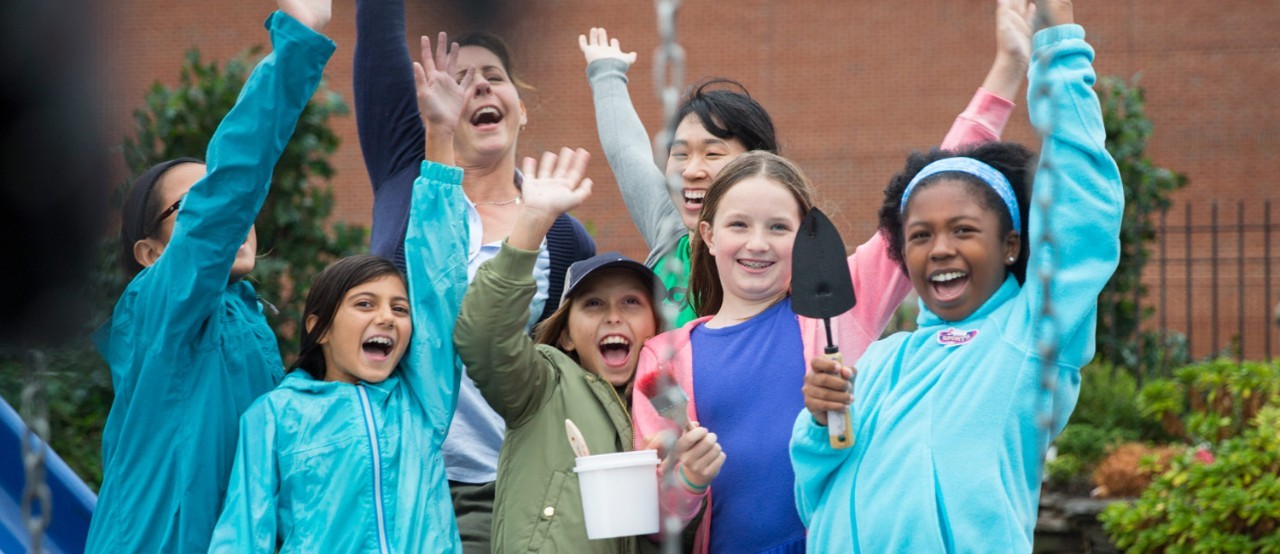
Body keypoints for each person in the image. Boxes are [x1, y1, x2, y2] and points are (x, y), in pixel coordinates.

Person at [791, 2, 1123, 551]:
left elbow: (1083, 211)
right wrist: (822, 423)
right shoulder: (883, 360)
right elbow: (813, 497)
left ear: (1011, 245)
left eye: (963, 230)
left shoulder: (1029, 339)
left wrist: (1057, 46)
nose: (939, 249)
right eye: (920, 236)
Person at [579, 6, 1030, 326]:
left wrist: (1007, 70)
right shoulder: (670, 237)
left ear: (758, 165)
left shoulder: (824, 289)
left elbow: (937, 182)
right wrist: (608, 75)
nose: (692, 169)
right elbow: (628, 156)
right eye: (680, 154)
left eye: (713, 154)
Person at [84, 1, 334, 551]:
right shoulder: (157, 310)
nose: (233, 217)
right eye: (191, 208)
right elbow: (230, 191)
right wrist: (295, 45)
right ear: (150, 252)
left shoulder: (253, 327)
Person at [354, 4, 596, 548]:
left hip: (505, 478)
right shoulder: (406, 180)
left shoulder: (561, 234)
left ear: (522, 109)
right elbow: (376, 27)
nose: (480, 88)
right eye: (460, 80)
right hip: (404, 470)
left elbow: (569, 369)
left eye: (494, 78)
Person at [453, 147, 725, 553]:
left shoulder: (670, 405)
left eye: (631, 303)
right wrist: (531, 224)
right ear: (565, 334)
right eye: (593, 304)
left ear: (654, 327)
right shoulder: (542, 385)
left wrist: (688, 483)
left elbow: (664, 541)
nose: (613, 316)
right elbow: (482, 338)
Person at [208, 155, 469, 551]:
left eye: (399, 309)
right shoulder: (274, 416)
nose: (387, 317)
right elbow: (243, 534)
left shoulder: (420, 402)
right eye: (365, 304)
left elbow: (439, 286)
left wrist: (441, 144)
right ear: (320, 327)